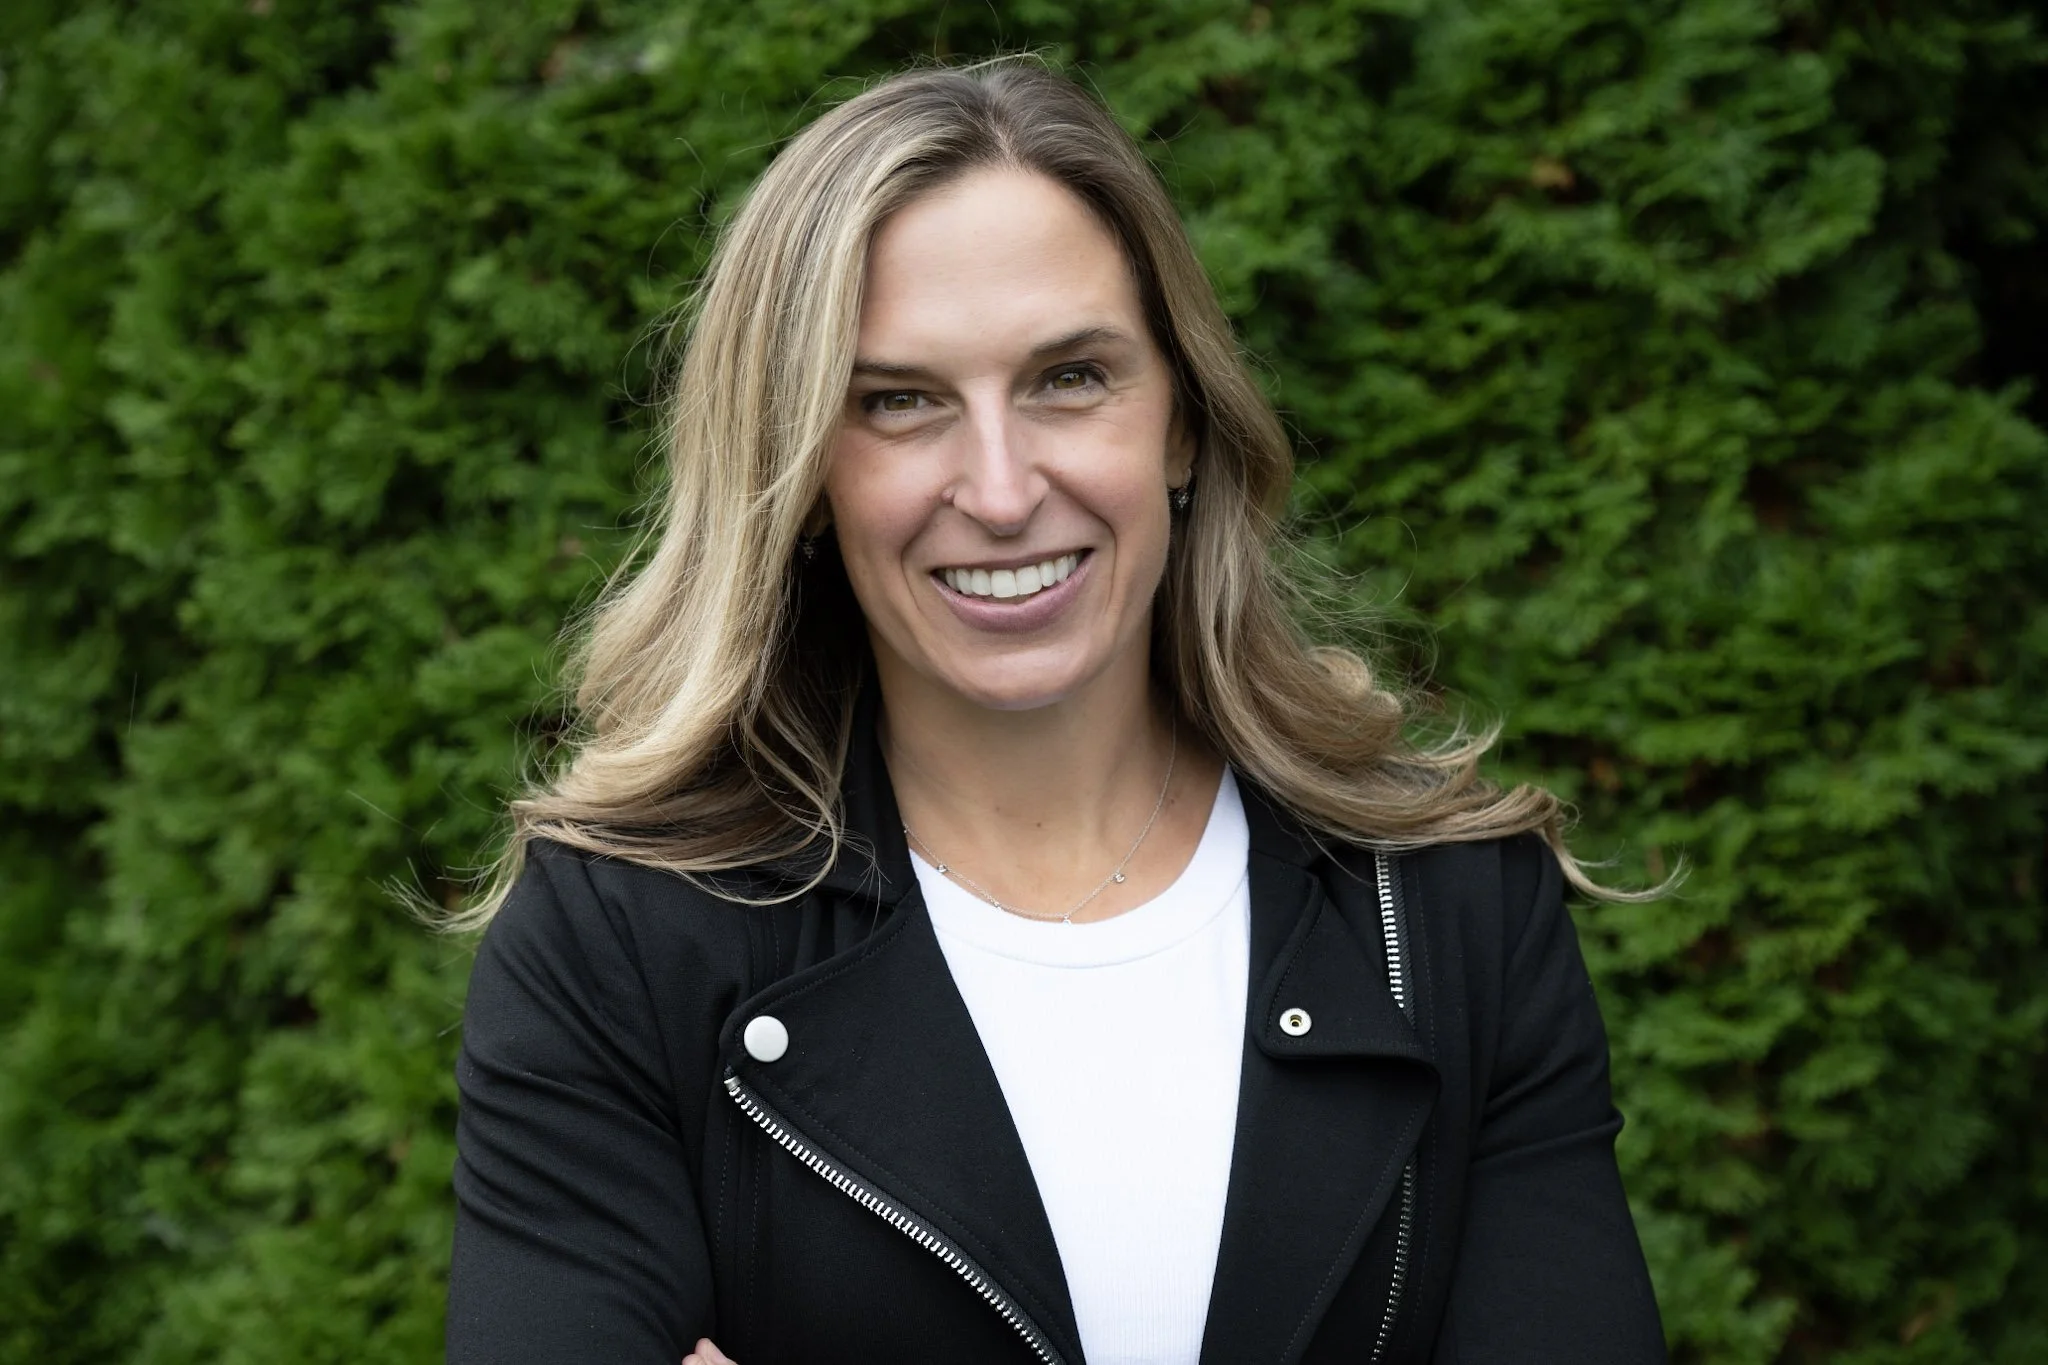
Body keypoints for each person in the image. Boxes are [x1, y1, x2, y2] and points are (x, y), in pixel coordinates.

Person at [445, 58, 1668, 1365]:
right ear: (799, 472)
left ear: (1183, 423)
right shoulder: (621, 945)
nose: (1001, 485)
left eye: (1069, 378)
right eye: (899, 402)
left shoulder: (1448, 911)